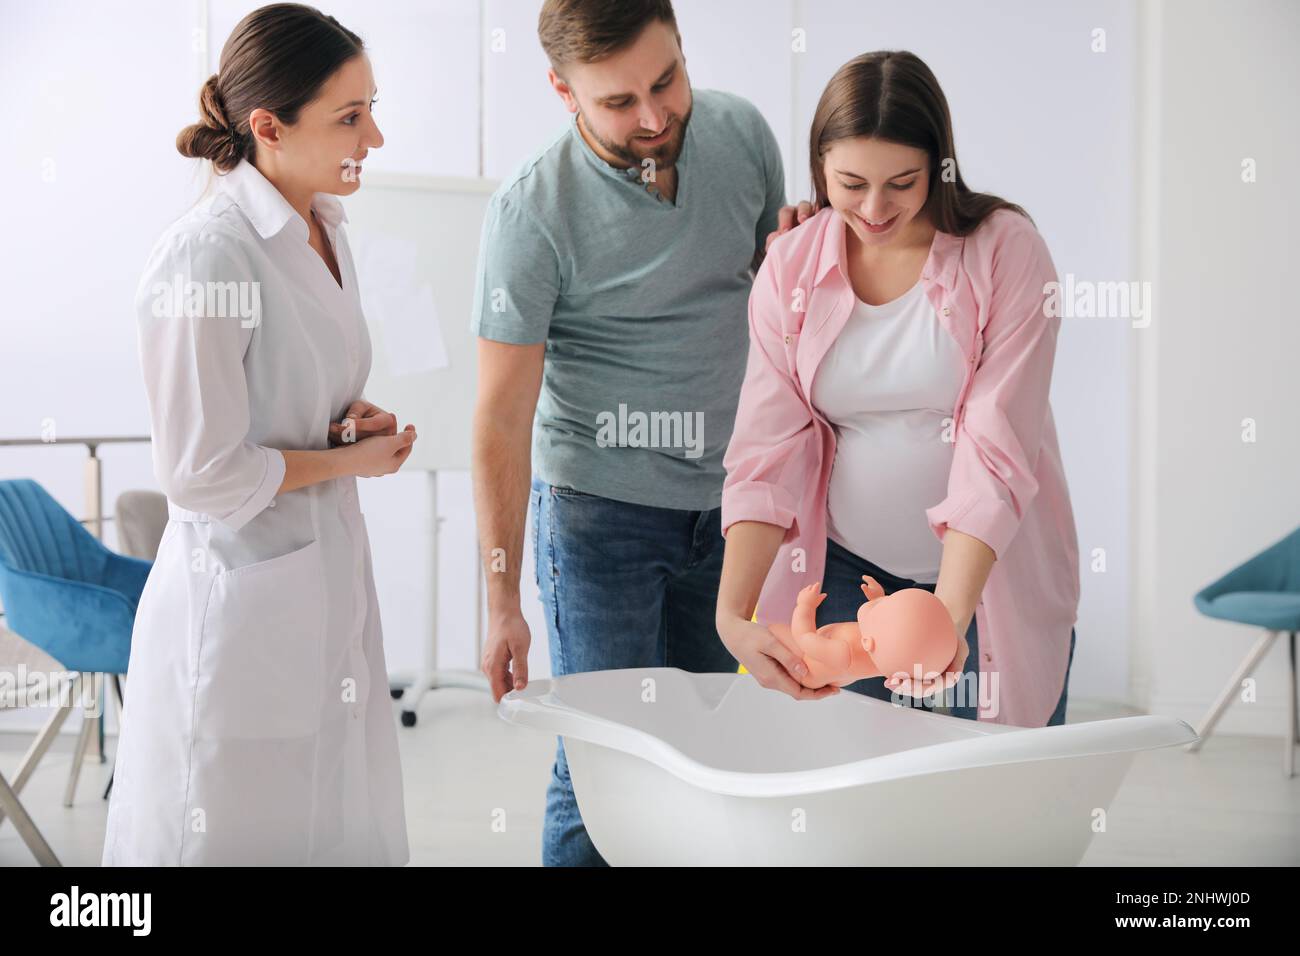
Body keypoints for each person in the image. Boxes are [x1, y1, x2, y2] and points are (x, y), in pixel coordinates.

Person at [470, 0, 820, 867]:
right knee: (603, 761)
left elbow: (774, 310)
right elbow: (501, 419)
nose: (655, 116)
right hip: (600, 516)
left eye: (666, 80)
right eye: (619, 102)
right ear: (562, 90)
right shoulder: (530, 213)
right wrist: (502, 602)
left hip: (731, 512)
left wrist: (805, 260)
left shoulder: (741, 135)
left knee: (706, 752)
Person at [103, 3, 414, 865]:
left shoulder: (327, 229)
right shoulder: (206, 256)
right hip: (242, 604)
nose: (375, 137)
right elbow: (200, 474)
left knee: (333, 814)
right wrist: (345, 461)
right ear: (267, 127)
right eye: (351, 117)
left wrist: (355, 421)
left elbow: (296, 390)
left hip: (325, 582)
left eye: (372, 106)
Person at [716, 50, 1080, 729]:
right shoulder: (792, 264)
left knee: (987, 806)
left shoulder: (1007, 251)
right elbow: (767, 450)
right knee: (849, 802)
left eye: (902, 183)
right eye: (851, 183)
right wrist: (732, 616)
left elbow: (996, 445)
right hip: (845, 581)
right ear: (819, 165)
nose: (876, 209)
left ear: (940, 165)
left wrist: (947, 614)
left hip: (984, 583)